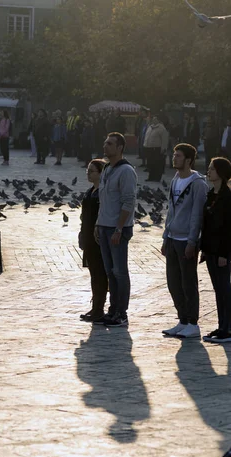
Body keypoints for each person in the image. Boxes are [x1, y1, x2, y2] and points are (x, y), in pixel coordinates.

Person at [161, 143, 208, 339]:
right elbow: (170, 210)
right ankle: (182, 320)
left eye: (178, 155)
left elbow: (198, 214)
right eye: (174, 154)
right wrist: (165, 236)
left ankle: (193, 323)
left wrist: (192, 241)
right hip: (172, 238)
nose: (174, 158)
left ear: (188, 160)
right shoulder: (175, 180)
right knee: (173, 282)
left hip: (185, 240)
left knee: (188, 282)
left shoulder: (198, 184)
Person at [94, 133, 137, 327]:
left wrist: (119, 228)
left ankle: (122, 312)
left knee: (120, 272)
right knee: (110, 272)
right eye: (104, 142)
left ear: (120, 147)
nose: (105, 146)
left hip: (117, 228)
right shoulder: (106, 169)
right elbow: (104, 201)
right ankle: (112, 310)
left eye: (110, 143)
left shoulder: (126, 171)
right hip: (104, 226)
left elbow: (129, 202)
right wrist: (98, 223)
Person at [201, 157, 231, 344]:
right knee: (217, 289)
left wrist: (225, 254)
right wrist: (204, 248)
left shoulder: (229, 199)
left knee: (225, 288)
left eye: (212, 169)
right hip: (210, 249)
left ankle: (228, 329)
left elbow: (230, 229)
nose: (208, 172)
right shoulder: (211, 195)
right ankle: (221, 325)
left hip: (222, 251)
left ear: (222, 173)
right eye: (208, 168)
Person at [79, 159, 108, 323]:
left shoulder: (103, 192)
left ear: (101, 173)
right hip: (88, 237)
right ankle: (95, 306)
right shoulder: (91, 191)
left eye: (92, 171)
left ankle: (99, 308)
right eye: (87, 171)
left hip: (98, 238)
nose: (88, 174)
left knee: (100, 273)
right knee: (93, 273)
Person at [143, 115, 169, 181]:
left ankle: (157, 177)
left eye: (155, 119)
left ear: (158, 120)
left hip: (157, 148)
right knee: (150, 164)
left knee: (157, 164)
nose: (154, 120)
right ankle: (151, 177)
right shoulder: (150, 127)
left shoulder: (161, 128)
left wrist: (163, 148)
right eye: (153, 119)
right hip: (149, 148)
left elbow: (164, 139)